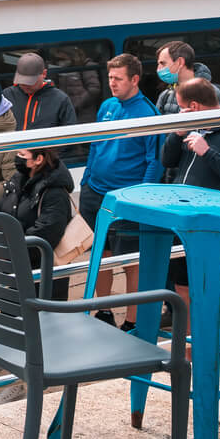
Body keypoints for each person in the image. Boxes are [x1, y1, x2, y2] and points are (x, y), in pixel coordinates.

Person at [161, 77, 220, 314]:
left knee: (210, 288)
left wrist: (208, 152)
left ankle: (210, 343)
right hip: (182, 219)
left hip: (213, 224)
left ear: (194, 107)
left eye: (183, 108)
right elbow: (167, 161)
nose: (181, 112)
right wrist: (177, 134)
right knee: (182, 284)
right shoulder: (192, 126)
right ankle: (188, 345)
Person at [79, 53, 161, 330]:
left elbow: (155, 160)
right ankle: (103, 311)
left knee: (130, 262)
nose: (112, 83)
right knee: (100, 255)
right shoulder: (107, 106)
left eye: (118, 78)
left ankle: (132, 321)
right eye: (110, 77)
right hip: (96, 193)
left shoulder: (148, 114)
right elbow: (95, 145)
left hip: (127, 198)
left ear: (135, 79)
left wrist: (140, 198)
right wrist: (85, 183)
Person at [0, 147, 74, 301]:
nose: (17, 158)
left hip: (42, 280)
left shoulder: (55, 193)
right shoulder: (18, 180)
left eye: (22, 154)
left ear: (38, 159)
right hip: (17, 268)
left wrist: (9, 251)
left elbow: (45, 235)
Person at [2, 52, 77, 131]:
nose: (25, 85)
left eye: (29, 81)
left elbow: (71, 134)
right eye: (21, 80)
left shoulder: (60, 100)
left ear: (44, 74)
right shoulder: (7, 95)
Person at [156, 40, 220, 112]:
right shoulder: (166, 95)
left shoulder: (210, 92)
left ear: (180, 62)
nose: (158, 69)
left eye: (163, 63)